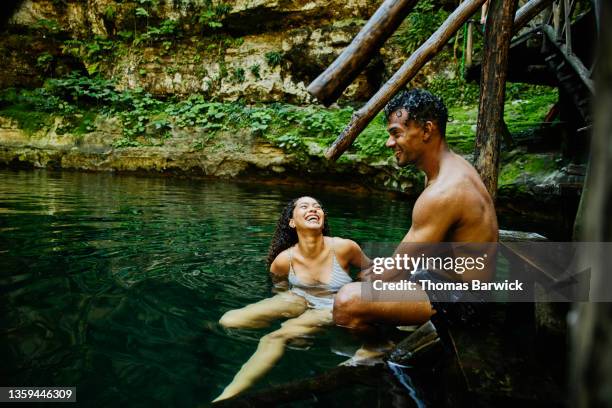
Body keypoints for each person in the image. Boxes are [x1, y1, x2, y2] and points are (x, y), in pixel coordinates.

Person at [332, 89, 499, 331]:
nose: (390, 143)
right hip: (438, 281)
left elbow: (398, 268)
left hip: (464, 302)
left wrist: (338, 287)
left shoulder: (445, 191)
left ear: (427, 130)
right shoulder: (448, 169)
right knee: (366, 276)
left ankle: (376, 359)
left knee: (347, 301)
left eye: (396, 134)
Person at [214, 196, 369, 402]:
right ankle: (297, 327)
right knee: (229, 320)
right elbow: (279, 289)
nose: (313, 209)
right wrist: (291, 311)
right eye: (304, 207)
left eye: (317, 207)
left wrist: (358, 293)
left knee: (274, 338)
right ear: (292, 222)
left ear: (323, 218)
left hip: (333, 304)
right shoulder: (283, 260)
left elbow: (371, 271)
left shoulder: (344, 247)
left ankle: (227, 398)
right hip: (299, 298)